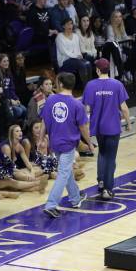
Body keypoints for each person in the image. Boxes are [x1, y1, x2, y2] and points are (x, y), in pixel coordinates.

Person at [40, 72, 93, 218]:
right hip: (68, 144)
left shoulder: (50, 99)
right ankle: (51, 204)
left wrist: (40, 139)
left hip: (54, 143)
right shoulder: (77, 104)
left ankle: (75, 198)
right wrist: (89, 143)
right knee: (63, 173)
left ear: (61, 84)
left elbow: (44, 121)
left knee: (67, 171)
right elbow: (83, 127)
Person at [82, 58, 130, 200]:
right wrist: (128, 123)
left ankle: (101, 180)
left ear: (97, 70)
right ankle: (108, 189)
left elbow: (86, 109)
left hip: (98, 127)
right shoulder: (117, 84)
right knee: (111, 158)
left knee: (102, 154)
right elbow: (124, 108)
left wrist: (86, 126)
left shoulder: (90, 85)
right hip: (113, 127)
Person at [56, 18, 91, 85]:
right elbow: (64, 52)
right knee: (81, 65)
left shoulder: (75, 36)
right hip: (64, 61)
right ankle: (86, 87)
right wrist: (76, 56)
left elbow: (77, 49)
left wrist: (79, 56)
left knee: (88, 63)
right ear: (63, 26)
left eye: (71, 23)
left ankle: (90, 85)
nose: (70, 26)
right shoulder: (59, 37)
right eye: (68, 24)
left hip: (75, 59)